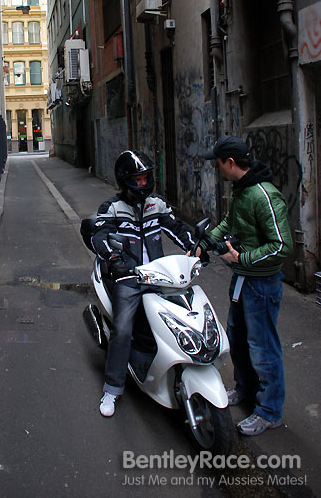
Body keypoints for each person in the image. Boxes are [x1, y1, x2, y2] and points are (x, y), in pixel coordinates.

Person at [201, 135, 293, 436]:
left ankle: (269, 411)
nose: (217, 169)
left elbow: (282, 245)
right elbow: (230, 223)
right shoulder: (241, 190)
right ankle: (246, 389)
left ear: (230, 162)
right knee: (238, 340)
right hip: (242, 280)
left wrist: (243, 257)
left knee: (263, 348)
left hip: (262, 284)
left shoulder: (264, 195)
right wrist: (206, 243)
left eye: (218, 164)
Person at [92, 150, 194, 417]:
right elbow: (99, 236)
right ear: (124, 180)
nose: (142, 183)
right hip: (129, 277)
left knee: (184, 317)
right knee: (123, 329)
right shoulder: (112, 208)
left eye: (146, 178)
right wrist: (114, 259)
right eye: (137, 179)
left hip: (161, 275)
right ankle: (112, 388)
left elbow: (177, 228)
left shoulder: (156, 204)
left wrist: (196, 247)